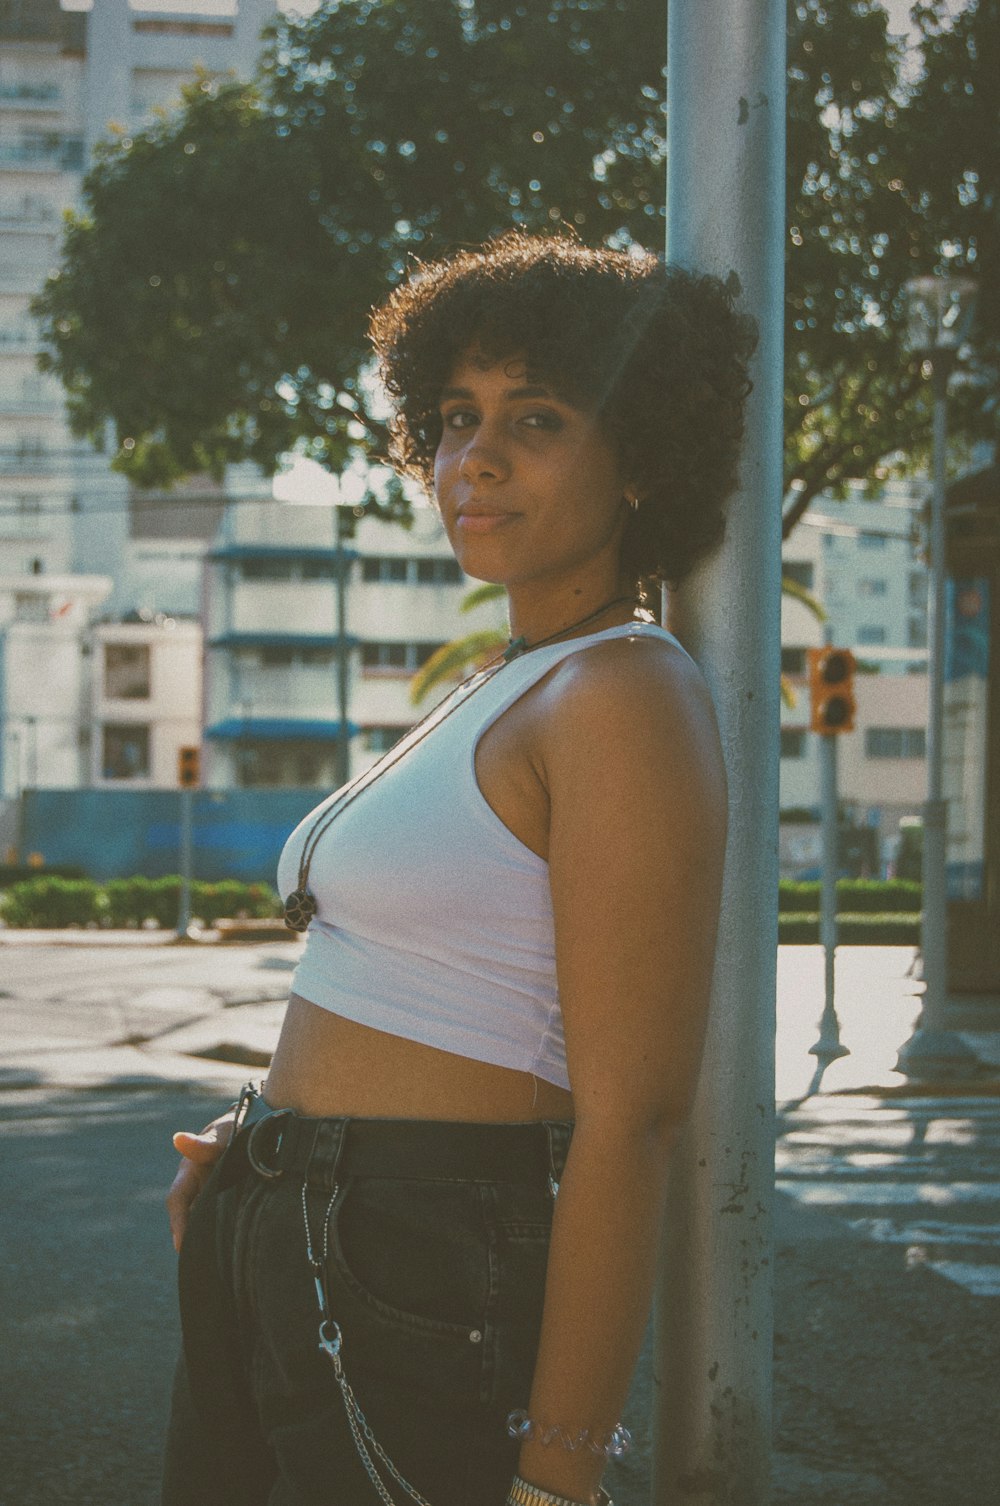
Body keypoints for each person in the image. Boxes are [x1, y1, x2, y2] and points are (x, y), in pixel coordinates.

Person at [162, 230, 757, 1506]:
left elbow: (632, 1118)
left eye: (534, 417)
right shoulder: (511, 679)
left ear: (642, 455)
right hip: (284, 1223)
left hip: (413, 1260)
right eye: (452, 416)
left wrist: (555, 1476)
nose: (470, 460)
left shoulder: (622, 696)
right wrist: (259, 1160)